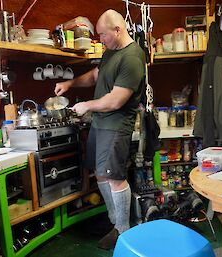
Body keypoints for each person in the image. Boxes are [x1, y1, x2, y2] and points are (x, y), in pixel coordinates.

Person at [55, 9, 145, 250]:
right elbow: (95, 75)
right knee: (101, 172)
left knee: (115, 177)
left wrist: (86, 105)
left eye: (103, 35)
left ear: (118, 30)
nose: (100, 40)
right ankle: (114, 222)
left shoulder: (133, 57)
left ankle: (124, 232)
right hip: (101, 123)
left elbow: (116, 100)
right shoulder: (111, 52)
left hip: (116, 125)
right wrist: (70, 82)